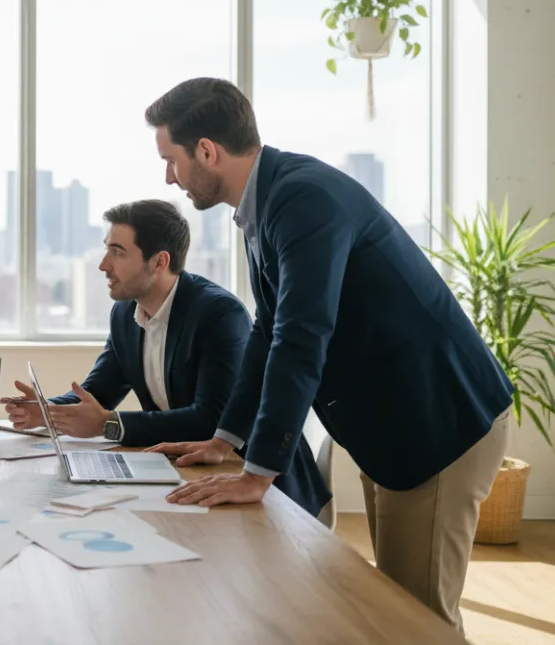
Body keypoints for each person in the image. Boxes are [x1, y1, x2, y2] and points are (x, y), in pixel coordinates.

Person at [144, 77, 513, 631]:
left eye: (170, 159)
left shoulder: (301, 199)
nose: (168, 177)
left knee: (419, 620)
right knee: (393, 607)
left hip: (439, 421)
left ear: (206, 151)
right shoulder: (264, 204)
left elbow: (301, 334)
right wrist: (227, 437)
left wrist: (258, 472)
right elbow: (268, 331)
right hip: (392, 422)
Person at [3, 199, 330, 519]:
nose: (104, 264)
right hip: (186, 474)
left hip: (255, 482)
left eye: (117, 252)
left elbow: (212, 419)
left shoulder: (219, 313)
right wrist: (47, 411)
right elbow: (97, 392)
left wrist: (109, 425)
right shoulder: (124, 313)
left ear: (159, 262)